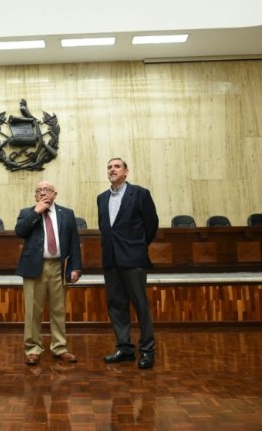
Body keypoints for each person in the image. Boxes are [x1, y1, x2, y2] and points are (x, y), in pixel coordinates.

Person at [97, 158, 159, 369]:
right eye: (109, 167)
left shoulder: (140, 193)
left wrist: (138, 246)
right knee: (116, 306)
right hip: (111, 260)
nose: (112, 170)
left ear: (126, 171)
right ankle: (124, 348)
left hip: (133, 259)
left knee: (141, 305)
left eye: (116, 166)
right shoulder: (102, 198)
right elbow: (105, 228)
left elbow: (152, 224)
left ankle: (147, 351)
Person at [15, 180, 82, 365]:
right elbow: (20, 231)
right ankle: (33, 349)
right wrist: (37, 211)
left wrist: (76, 267)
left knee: (58, 309)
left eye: (47, 190)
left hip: (59, 267)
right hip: (34, 267)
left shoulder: (66, 214)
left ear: (55, 194)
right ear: (35, 195)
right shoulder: (27, 213)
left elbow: (74, 242)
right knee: (32, 311)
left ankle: (60, 347)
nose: (43, 193)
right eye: (39, 191)